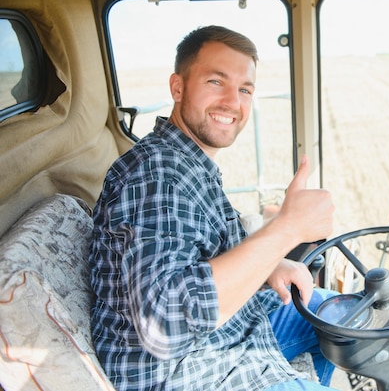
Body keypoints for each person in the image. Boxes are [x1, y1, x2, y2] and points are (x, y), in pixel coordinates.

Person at [89, 25, 337, 391]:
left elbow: (198, 248)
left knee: (334, 313)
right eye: (215, 82)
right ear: (178, 88)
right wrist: (286, 229)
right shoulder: (157, 176)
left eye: (244, 89)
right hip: (182, 373)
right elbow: (165, 325)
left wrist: (271, 262)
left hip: (224, 335)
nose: (232, 102)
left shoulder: (186, 162)